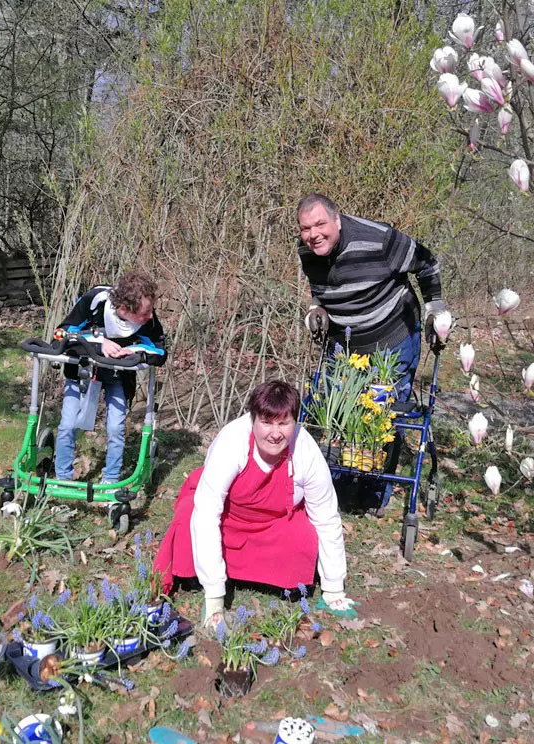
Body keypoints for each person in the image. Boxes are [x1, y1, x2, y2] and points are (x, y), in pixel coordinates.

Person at [153, 380, 353, 628]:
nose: (275, 433)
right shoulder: (232, 441)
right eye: (267, 422)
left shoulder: (306, 450)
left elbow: (325, 516)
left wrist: (334, 589)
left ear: (295, 423)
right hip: (228, 514)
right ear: (253, 419)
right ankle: (206, 578)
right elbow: (207, 512)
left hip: (273, 521)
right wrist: (215, 597)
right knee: (187, 521)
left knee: (303, 539)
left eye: (284, 423)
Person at [296, 193, 446, 511]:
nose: (313, 234)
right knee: (337, 411)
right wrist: (315, 308)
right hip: (344, 343)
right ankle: (336, 484)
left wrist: (435, 307)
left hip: (392, 337)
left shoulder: (377, 239)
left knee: (382, 414)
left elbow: (426, 263)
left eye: (320, 224)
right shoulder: (306, 250)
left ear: (337, 220)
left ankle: (374, 492)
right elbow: (320, 288)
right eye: (306, 228)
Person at [53, 270, 166, 484]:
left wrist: (137, 352)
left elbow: (160, 351)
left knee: (115, 427)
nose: (150, 316)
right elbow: (61, 334)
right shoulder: (93, 301)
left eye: (151, 310)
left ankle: (111, 479)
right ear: (124, 309)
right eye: (145, 313)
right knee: (68, 424)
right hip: (82, 369)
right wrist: (97, 342)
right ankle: (62, 478)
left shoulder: (148, 319)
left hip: (118, 373)